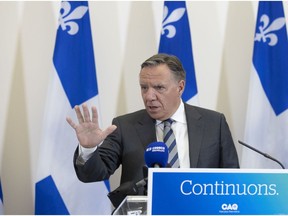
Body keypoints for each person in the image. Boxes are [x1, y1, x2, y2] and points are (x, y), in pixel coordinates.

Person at [66, 53, 239, 193]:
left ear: (180, 87)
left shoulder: (214, 124)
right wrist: (88, 149)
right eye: (144, 87)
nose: (149, 96)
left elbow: (233, 182)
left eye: (159, 88)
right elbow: (93, 174)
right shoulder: (125, 126)